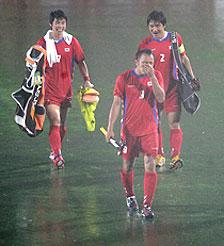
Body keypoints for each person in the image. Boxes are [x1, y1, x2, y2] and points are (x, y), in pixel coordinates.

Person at [105, 49, 165, 219]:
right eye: (144, 62)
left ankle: (147, 206)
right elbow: (116, 103)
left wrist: (153, 77)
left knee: (150, 164)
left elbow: (161, 99)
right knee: (127, 166)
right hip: (129, 132)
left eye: (150, 63)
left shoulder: (156, 76)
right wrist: (110, 127)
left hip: (150, 130)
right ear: (136, 62)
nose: (147, 66)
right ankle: (130, 197)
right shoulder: (123, 78)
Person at [138, 10, 200, 169]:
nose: (154, 29)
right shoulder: (145, 44)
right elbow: (139, 68)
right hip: (154, 92)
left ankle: (176, 157)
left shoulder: (175, 39)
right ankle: (159, 156)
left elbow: (184, 58)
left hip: (172, 90)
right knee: (154, 125)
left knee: (174, 123)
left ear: (164, 25)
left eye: (157, 26)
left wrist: (192, 78)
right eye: (151, 26)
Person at [36, 10, 93, 168]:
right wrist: (35, 86)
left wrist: (87, 80)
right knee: (55, 121)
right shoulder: (43, 44)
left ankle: (55, 150)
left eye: (62, 23)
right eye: (57, 23)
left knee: (62, 125)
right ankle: (58, 156)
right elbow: (34, 66)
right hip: (50, 91)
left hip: (66, 89)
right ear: (51, 24)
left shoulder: (71, 41)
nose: (60, 26)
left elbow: (81, 62)